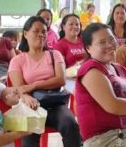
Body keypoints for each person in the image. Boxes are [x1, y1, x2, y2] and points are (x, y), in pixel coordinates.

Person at [8, 16, 82, 147]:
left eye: (43, 31)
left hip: (55, 104)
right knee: (28, 134)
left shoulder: (54, 54)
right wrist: (26, 96)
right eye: (36, 31)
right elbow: (19, 88)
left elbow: (61, 80)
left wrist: (34, 85)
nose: (41, 35)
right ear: (25, 34)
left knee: (70, 124)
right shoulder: (18, 60)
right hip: (32, 104)